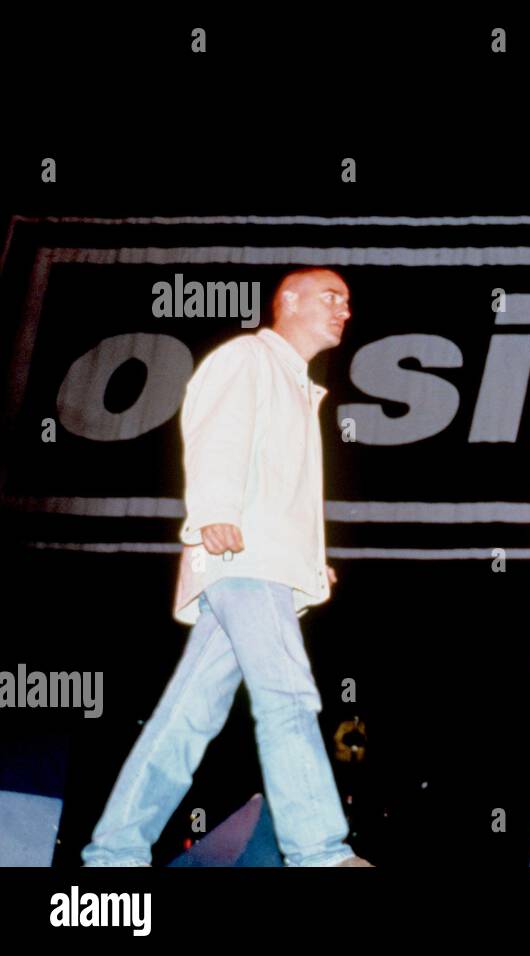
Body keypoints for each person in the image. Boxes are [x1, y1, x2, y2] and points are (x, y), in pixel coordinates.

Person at [82, 268, 372, 867]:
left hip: (257, 560)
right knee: (287, 695)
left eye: (347, 301)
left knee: (185, 719)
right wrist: (213, 509)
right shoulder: (249, 358)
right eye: (331, 297)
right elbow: (217, 431)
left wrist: (309, 562)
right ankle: (318, 850)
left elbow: (278, 492)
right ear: (287, 301)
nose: (344, 309)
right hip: (244, 559)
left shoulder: (297, 385)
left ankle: (114, 854)